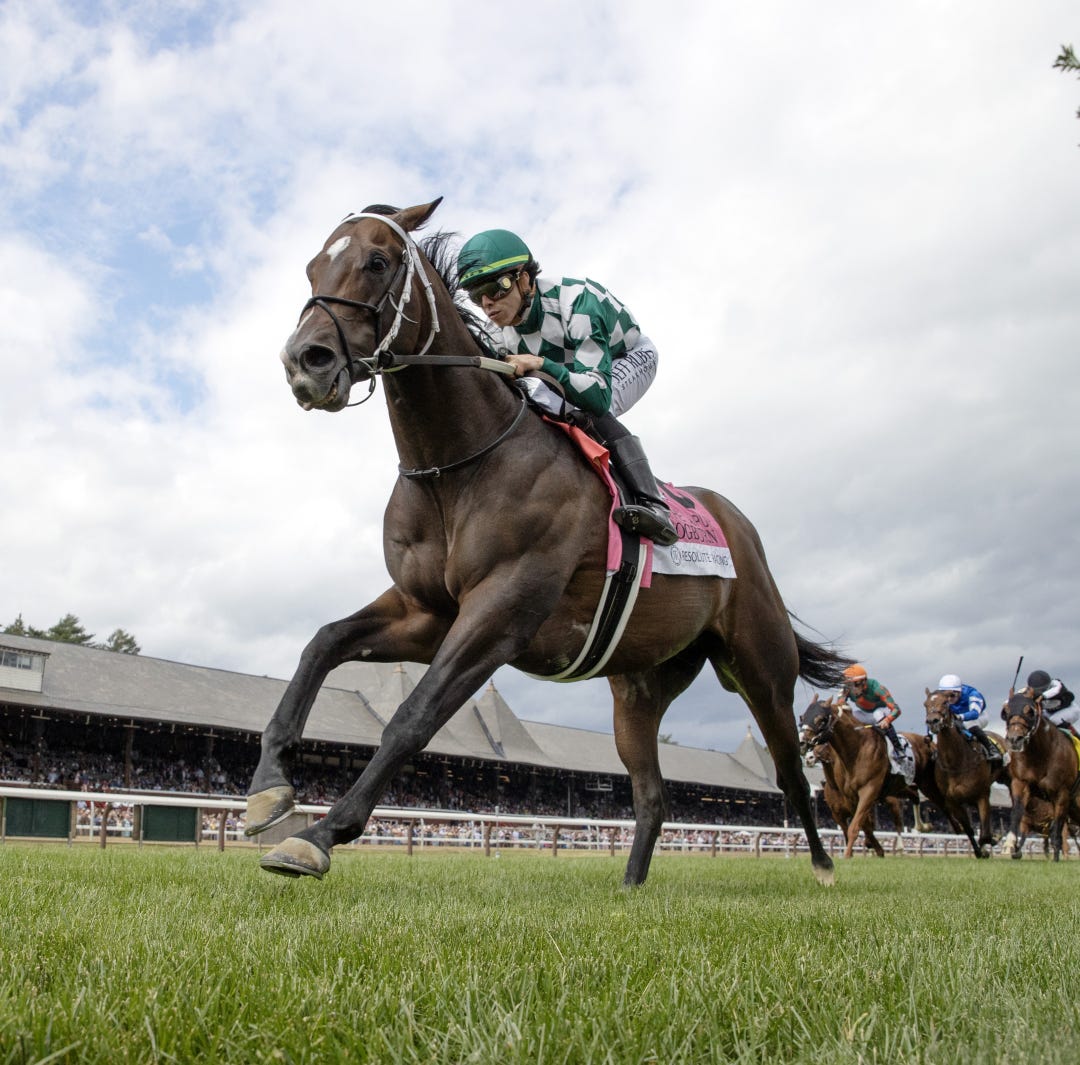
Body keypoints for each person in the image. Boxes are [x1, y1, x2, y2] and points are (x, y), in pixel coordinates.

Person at [456, 228, 678, 546]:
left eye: (495, 287)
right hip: (575, 370)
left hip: (625, 358)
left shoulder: (578, 302)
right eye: (476, 296)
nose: (487, 303)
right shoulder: (496, 335)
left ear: (524, 279)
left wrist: (541, 363)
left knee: (587, 408)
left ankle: (654, 505)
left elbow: (597, 396)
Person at [836, 663, 906, 756]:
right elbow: (839, 708)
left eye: (854, 685)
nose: (852, 689)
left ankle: (898, 748)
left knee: (877, 713)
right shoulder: (846, 690)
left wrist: (887, 720)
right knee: (852, 716)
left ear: (863, 682)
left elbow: (896, 709)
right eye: (848, 685)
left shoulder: (877, 688)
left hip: (883, 711)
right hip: (866, 714)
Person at [934, 674, 1002, 764]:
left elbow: (974, 713)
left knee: (969, 724)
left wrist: (960, 717)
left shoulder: (973, 694)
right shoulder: (940, 699)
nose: (949, 699)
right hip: (956, 719)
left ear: (959, 692)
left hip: (978, 717)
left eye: (952, 695)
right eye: (946, 696)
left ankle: (991, 749)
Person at [1026, 669, 1080, 737]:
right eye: (1037, 690)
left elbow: (1055, 690)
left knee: (1052, 721)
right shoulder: (1030, 691)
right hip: (1050, 713)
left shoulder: (1056, 684)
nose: (1039, 692)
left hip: (1070, 710)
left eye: (1042, 689)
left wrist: (1042, 696)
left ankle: (1076, 737)